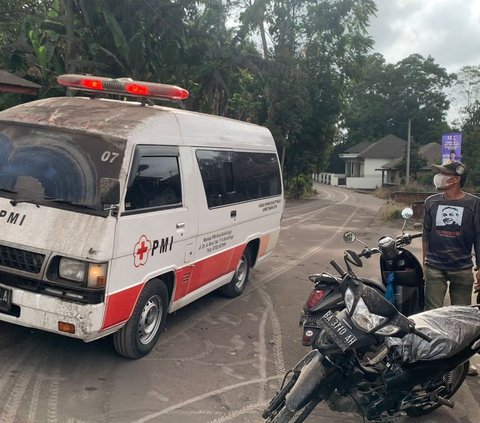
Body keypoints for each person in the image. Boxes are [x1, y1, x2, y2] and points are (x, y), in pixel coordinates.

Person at [422, 161, 480, 376]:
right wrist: (424, 260)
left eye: (442, 173)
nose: (438, 177)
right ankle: (431, 357)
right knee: (432, 315)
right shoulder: (432, 202)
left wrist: (479, 268)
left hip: (462, 267)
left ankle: (463, 362)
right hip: (435, 267)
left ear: (455, 179)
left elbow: (479, 237)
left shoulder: (474, 204)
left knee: (462, 319)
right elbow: (426, 233)